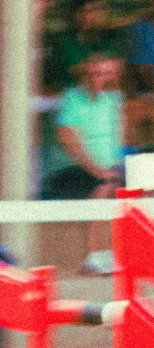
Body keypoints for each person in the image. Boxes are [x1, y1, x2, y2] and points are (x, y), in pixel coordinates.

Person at [44, 52, 126, 273]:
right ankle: (93, 256)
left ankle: (125, 254)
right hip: (73, 168)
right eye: (94, 74)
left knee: (143, 187)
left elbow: (118, 139)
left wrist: (115, 167)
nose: (98, 79)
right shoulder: (72, 98)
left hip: (108, 167)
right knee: (102, 186)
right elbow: (67, 139)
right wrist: (97, 170)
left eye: (105, 74)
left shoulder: (113, 100)